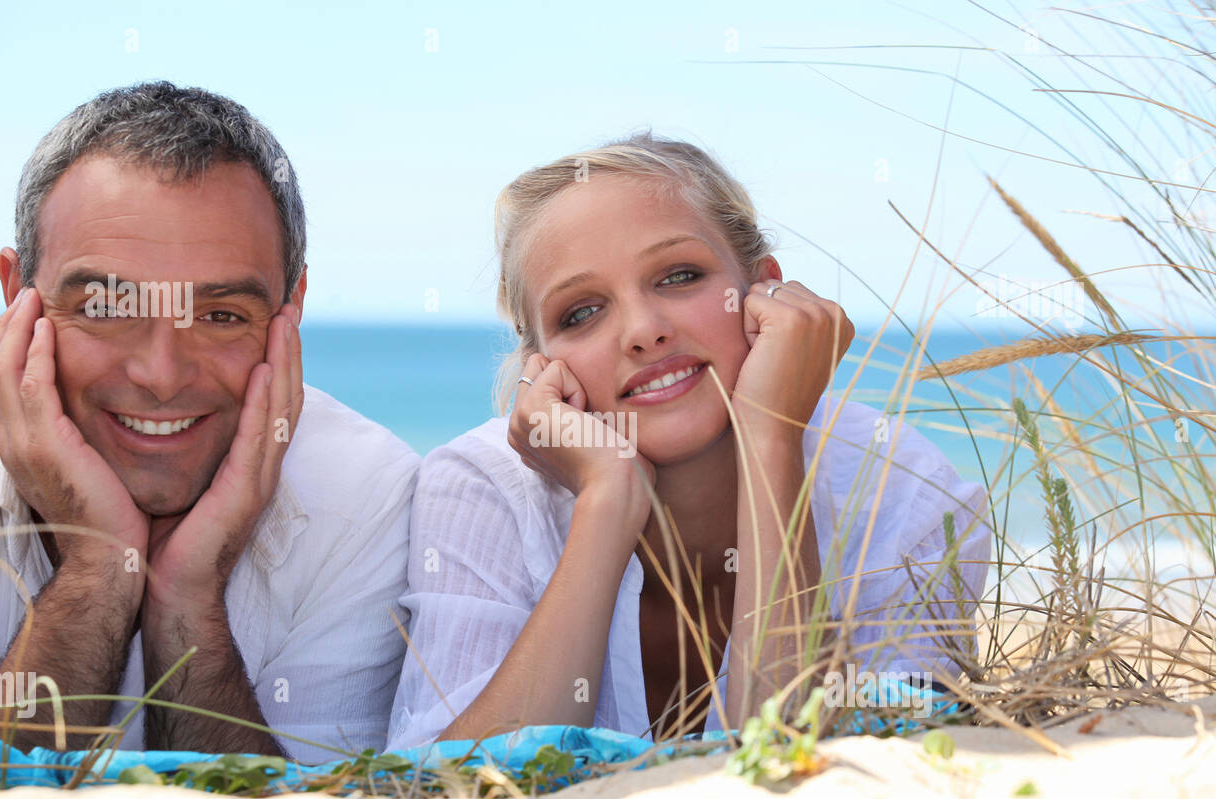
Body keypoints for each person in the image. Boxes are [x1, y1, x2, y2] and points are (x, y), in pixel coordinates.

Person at [387, 132, 990, 751]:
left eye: (679, 276)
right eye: (581, 313)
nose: (645, 331)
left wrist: (773, 440)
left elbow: (806, 779)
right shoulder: (482, 486)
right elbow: (450, 796)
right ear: (539, 367)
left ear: (766, 292)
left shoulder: (899, 489)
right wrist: (606, 502)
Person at [0, 82, 418, 764]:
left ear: (293, 305)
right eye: (105, 307)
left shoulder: (367, 496)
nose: (161, 375)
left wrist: (186, 598)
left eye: (221, 316)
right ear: (17, 296)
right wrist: (98, 569)